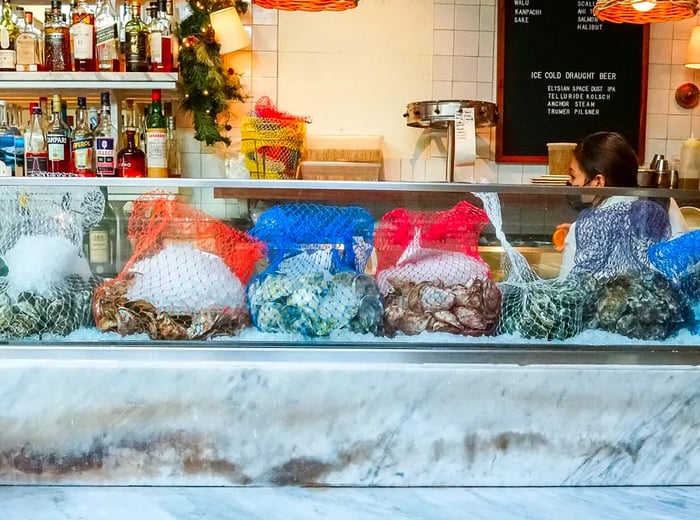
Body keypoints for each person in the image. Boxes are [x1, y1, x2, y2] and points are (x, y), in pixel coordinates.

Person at [557, 131, 688, 278]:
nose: (571, 183)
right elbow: (684, 266)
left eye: (573, 176)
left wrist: (577, 236)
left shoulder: (580, 230)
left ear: (598, 182)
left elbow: (567, 291)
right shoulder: (665, 203)